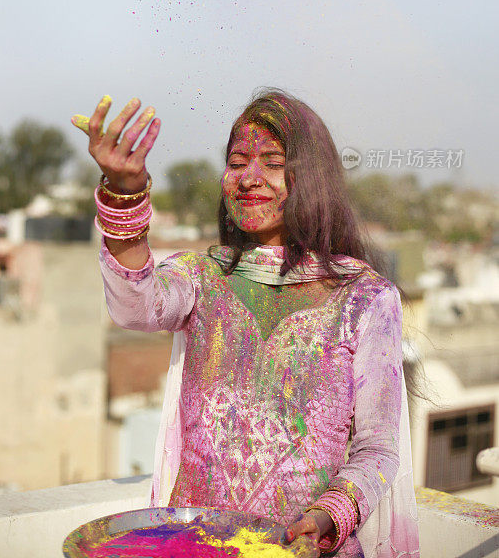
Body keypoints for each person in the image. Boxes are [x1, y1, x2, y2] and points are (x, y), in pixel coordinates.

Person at [72, 90, 420, 558]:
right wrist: (126, 190)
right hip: (197, 546)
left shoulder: (364, 298)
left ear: (311, 178)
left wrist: (327, 516)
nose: (249, 178)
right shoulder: (202, 277)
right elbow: (136, 306)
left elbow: (378, 449)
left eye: (272, 162)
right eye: (237, 162)